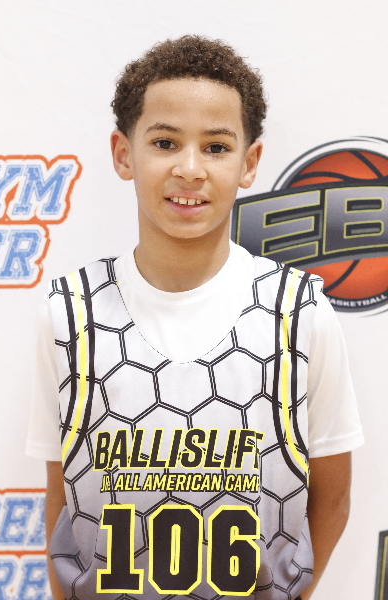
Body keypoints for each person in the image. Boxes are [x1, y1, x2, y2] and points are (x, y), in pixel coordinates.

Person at [26, 35, 364, 600]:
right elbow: (63, 500)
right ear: (123, 153)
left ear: (249, 163)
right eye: (165, 142)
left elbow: (331, 499)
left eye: (215, 147)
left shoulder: (300, 314)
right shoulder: (69, 314)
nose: (189, 169)